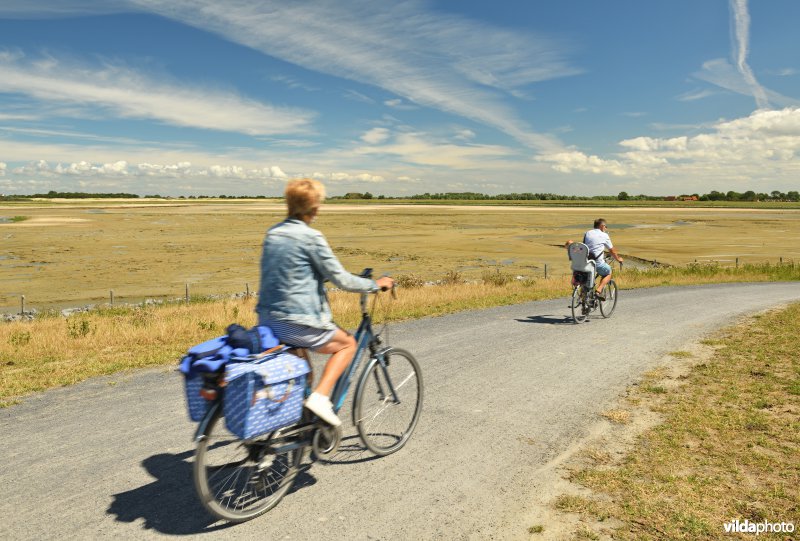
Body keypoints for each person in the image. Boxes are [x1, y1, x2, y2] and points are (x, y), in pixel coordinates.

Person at [256, 178, 394, 427]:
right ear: (315, 208)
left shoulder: (273, 233)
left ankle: (300, 427)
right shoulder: (311, 237)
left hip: (268, 321)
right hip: (297, 322)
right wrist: (376, 284)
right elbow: (341, 279)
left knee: (304, 374)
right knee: (348, 345)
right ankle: (320, 399)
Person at [565, 218, 623, 299]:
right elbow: (612, 250)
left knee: (587, 277)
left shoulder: (587, 233)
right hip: (597, 263)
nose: (606, 229)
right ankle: (598, 291)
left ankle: (583, 297)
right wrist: (618, 259)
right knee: (608, 272)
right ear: (602, 226)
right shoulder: (605, 235)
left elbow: (585, 247)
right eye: (606, 227)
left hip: (586, 262)